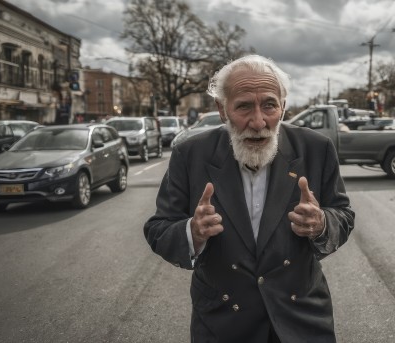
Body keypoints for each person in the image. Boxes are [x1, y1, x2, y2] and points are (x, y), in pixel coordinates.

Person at [143, 55, 355, 343]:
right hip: (222, 322)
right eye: (243, 106)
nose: (258, 122)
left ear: (283, 105)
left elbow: (342, 214)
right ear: (222, 109)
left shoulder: (317, 149)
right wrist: (192, 232)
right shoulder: (190, 154)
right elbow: (159, 228)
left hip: (301, 319)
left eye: (269, 104)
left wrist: (321, 224)